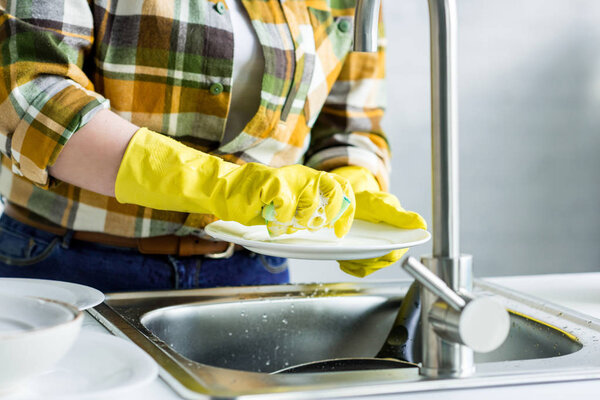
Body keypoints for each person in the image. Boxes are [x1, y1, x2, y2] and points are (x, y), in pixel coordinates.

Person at [0, 0, 426, 293]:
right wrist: (221, 186)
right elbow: (31, 95)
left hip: (252, 272)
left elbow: (348, 119)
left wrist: (355, 184)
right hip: (69, 266)